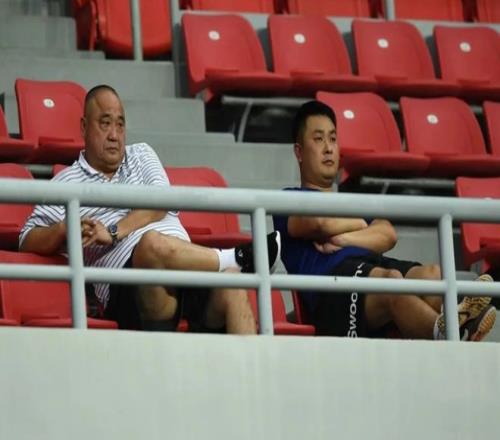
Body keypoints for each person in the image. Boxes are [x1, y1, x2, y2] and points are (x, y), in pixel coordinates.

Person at [19, 84, 280, 334]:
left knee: (234, 286)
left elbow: (161, 202)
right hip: (130, 286)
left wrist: (113, 232)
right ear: (84, 127)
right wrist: (65, 228)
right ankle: (238, 258)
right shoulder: (66, 182)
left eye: (120, 124)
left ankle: (255, 364)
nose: (114, 135)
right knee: (150, 244)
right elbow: (26, 239)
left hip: (185, 269)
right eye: (105, 123)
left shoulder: (141, 154)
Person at [273, 100, 496, 341]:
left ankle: (459, 327)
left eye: (333, 139)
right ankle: (452, 333)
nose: (328, 148)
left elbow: (387, 234)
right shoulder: (289, 198)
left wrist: (343, 238)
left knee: (433, 274)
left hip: (369, 269)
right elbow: (319, 223)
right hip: (330, 293)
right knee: (391, 282)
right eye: (318, 139)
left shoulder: (348, 202)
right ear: (299, 152)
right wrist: (361, 224)